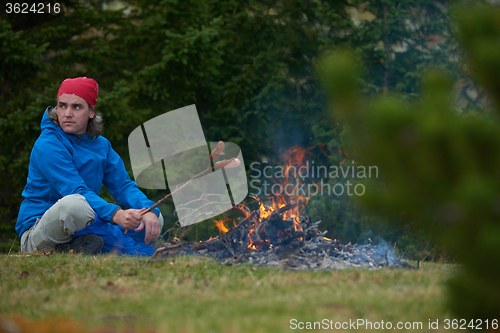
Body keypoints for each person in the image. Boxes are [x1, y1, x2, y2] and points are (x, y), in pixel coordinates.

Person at [16, 77, 163, 255]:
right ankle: (128, 249)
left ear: (91, 112)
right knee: (75, 205)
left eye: (76, 107)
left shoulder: (101, 145)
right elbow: (75, 190)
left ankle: (78, 247)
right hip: (39, 230)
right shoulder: (48, 144)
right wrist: (116, 215)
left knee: (153, 219)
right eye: (62, 106)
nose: (67, 113)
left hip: (86, 221)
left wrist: (148, 210)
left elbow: (123, 185)